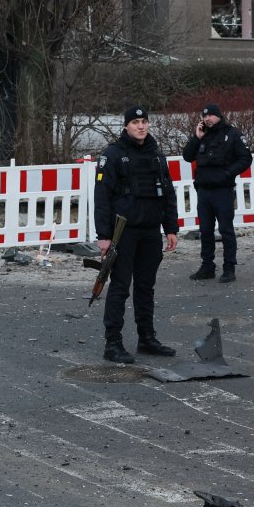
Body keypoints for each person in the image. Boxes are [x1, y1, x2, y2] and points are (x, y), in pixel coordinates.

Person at [93, 105, 180, 364]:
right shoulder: (113, 155)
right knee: (120, 288)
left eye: (144, 121)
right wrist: (103, 235)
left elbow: (168, 193)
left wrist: (171, 228)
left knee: (146, 287)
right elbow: (102, 198)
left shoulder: (156, 155)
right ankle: (113, 343)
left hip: (151, 231)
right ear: (126, 126)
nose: (141, 126)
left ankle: (147, 338)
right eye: (135, 122)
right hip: (123, 233)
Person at [181, 102, 252, 283]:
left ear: (219, 115)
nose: (207, 119)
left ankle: (229, 268)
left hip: (223, 190)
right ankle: (207, 267)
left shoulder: (232, 134)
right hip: (204, 190)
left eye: (211, 115)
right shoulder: (202, 135)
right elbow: (188, 156)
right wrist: (196, 138)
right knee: (205, 231)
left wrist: (228, 173)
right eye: (204, 116)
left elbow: (245, 158)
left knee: (226, 230)